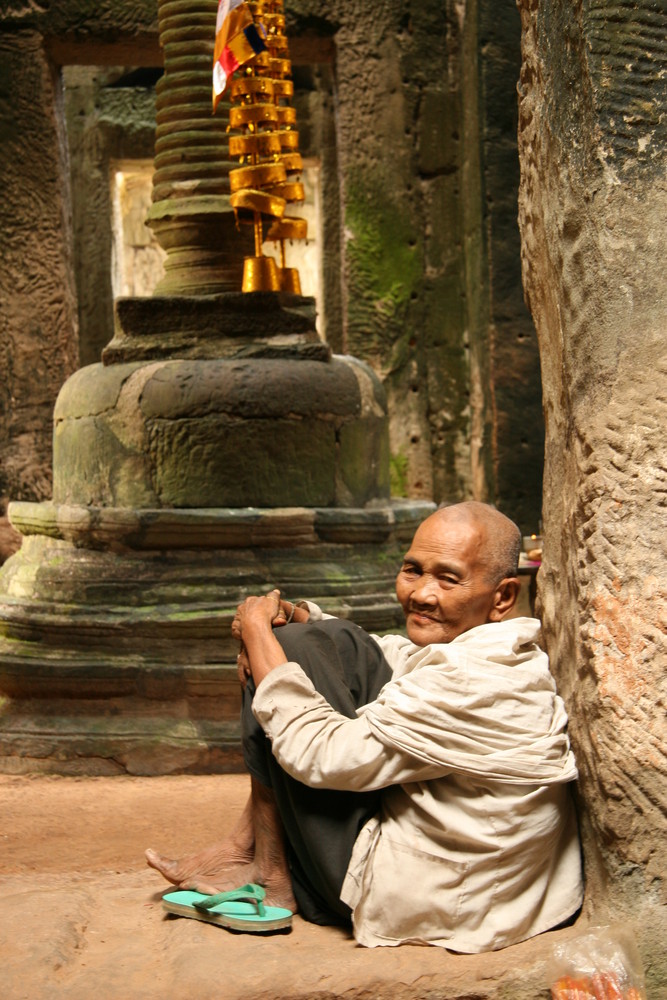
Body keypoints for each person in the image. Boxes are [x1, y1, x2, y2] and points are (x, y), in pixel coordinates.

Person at [147, 501, 583, 952]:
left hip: (440, 896)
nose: (421, 594)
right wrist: (297, 619)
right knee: (316, 642)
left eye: (447, 578)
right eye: (413, 570)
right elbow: (387, 655)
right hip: (487, 883)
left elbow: (318, 754)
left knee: (285, 661)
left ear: (503, 598)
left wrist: (259, 633)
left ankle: (272, 870)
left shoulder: (474, 681)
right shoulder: (494, 650)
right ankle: (250, 848)